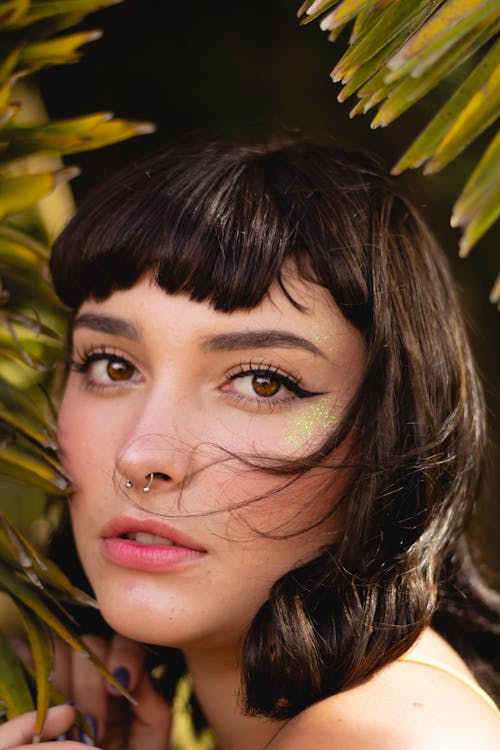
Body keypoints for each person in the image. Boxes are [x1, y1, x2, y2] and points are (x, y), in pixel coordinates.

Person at [1, 140, 499, 750]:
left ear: (391, 434)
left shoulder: (377, 734)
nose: (141, 458)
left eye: (262, 383)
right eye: (111, 366)